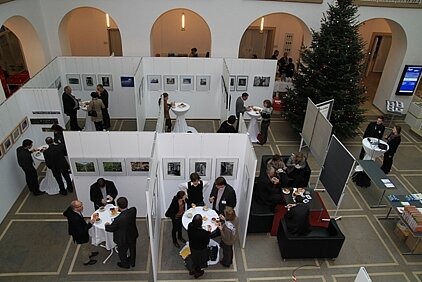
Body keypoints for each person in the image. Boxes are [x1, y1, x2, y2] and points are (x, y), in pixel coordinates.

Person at [105, 197, 139, 269]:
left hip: (122, 239)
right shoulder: (133, 210)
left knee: (122, 252)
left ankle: (125, 264)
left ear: (118, 206)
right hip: (132, 234)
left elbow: (110, 229)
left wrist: (106, 225)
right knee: (132, 249)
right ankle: (132, 262)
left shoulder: (118, 219)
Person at [63, 200, 98, 265]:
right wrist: (90, 223)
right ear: (75, 208)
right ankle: (86, 260)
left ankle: (89, 253)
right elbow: (82, 230)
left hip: (78, 231)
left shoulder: (70, 210)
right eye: (80, 206)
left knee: (88, 244)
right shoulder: (75, 219)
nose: (82, 207)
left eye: (81, 204)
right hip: (80, 235)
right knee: (84, 247)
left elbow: (65, 213)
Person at [187, 214, 211, 278]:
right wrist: (209, 232)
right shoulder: (203, 233)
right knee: (200, 261)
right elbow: (206, 242)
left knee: (194, 258)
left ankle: (192, 269)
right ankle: (198, 272)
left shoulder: (190, 226)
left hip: (192, 246)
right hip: (201, 249)